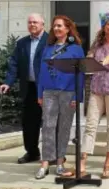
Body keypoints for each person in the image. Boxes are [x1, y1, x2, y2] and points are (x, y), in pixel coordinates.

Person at [63, 12, 109, 179]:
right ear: (103, 27)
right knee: (90, 125)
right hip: (97, 88)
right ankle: (82, 163)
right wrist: (86, 62)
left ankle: (108, 162)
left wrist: (101, 63)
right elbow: (88, 58)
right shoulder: (96, 45)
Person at [35, 15, 85, 179]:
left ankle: (60, 163)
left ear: (68, 28)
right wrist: (39, 93)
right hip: (49, 92)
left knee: (64, 128)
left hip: (68, 92)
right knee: (48, 127)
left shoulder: (76, 49)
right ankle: (45, 163)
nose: (56, 28)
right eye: (54, 26)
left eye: (60, 26)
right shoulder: (47, 48)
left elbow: (80, 74)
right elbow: (41, 72)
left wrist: (78, 96)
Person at [0, 13, 48, 164]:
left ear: (42, 24)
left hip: (47, 88)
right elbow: (14, 64)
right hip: (29, 88)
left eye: (35, 22)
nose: (32, 25)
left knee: (50, 122)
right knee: (29, 123)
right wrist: (8, 82)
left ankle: (53, 155)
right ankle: (32, 153)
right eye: (30, 22)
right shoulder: (22, 43)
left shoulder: (50, 41)